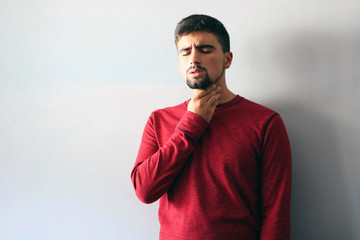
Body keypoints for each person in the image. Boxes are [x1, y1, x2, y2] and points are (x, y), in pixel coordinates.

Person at [131, 14, 291, 240]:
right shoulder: (159, 120)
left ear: (227, 59)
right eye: (185, 52)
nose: (193, 58)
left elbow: (276, 213)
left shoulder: (265, 122)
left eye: (205, 49)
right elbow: (144, 191)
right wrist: (191, 124)